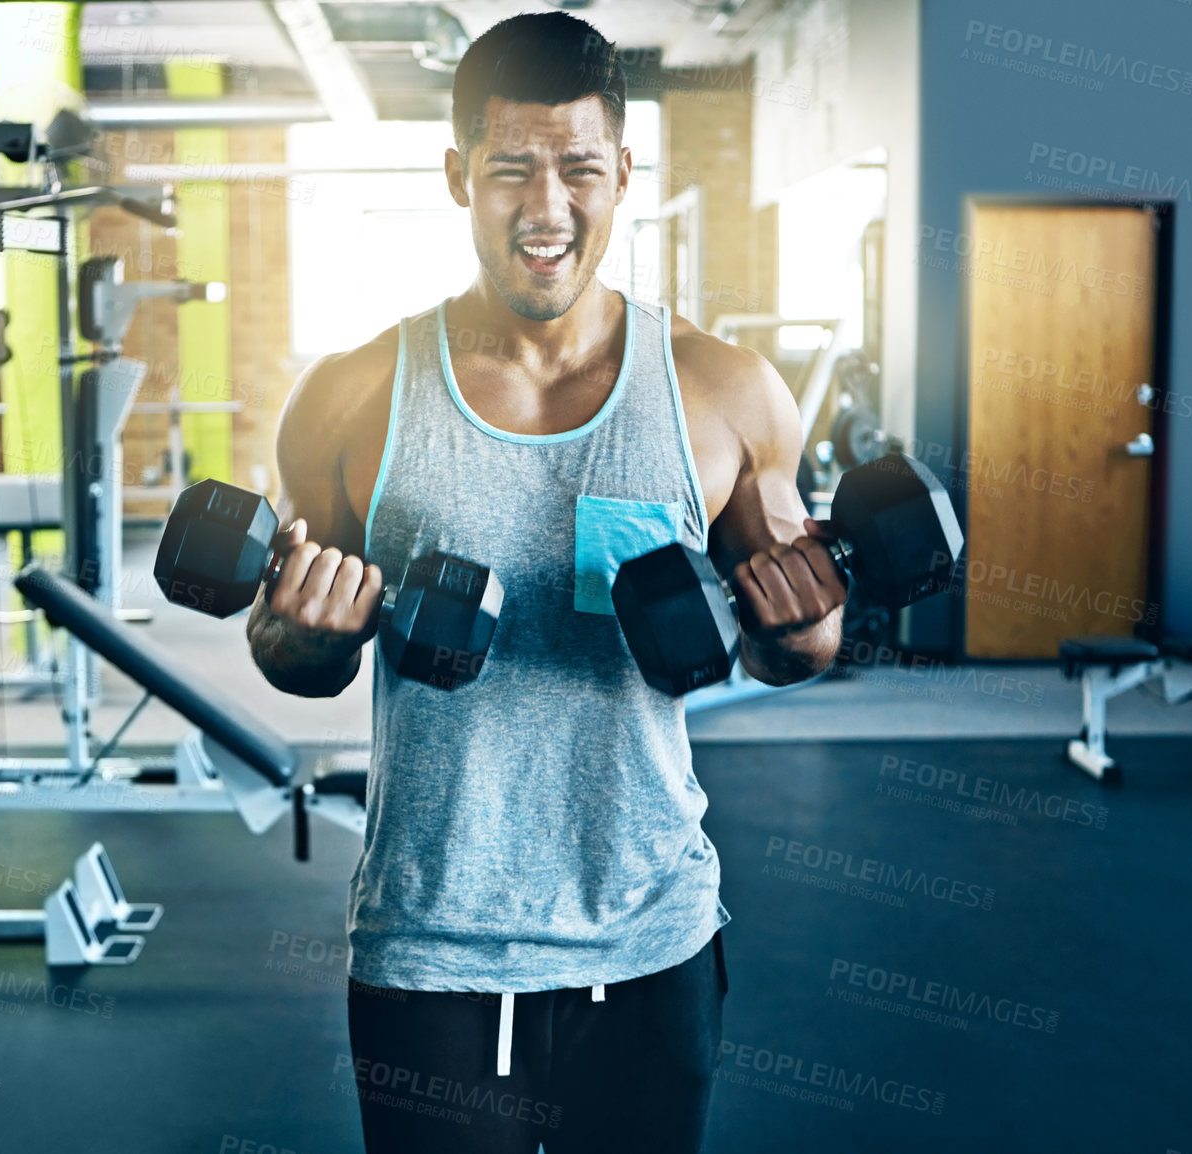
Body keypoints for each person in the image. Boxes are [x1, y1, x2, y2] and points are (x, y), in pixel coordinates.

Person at [247, 12, 846, 1152]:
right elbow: (293, 656)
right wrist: (310, 630)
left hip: (650, 937)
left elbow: (796, 647)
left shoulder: (725, 391)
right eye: (510, 169)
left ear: (622, 171)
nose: (546, 208)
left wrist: (799, 629)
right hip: (430, 941)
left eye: (578, 168)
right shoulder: (352, 393)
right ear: (455, 175)